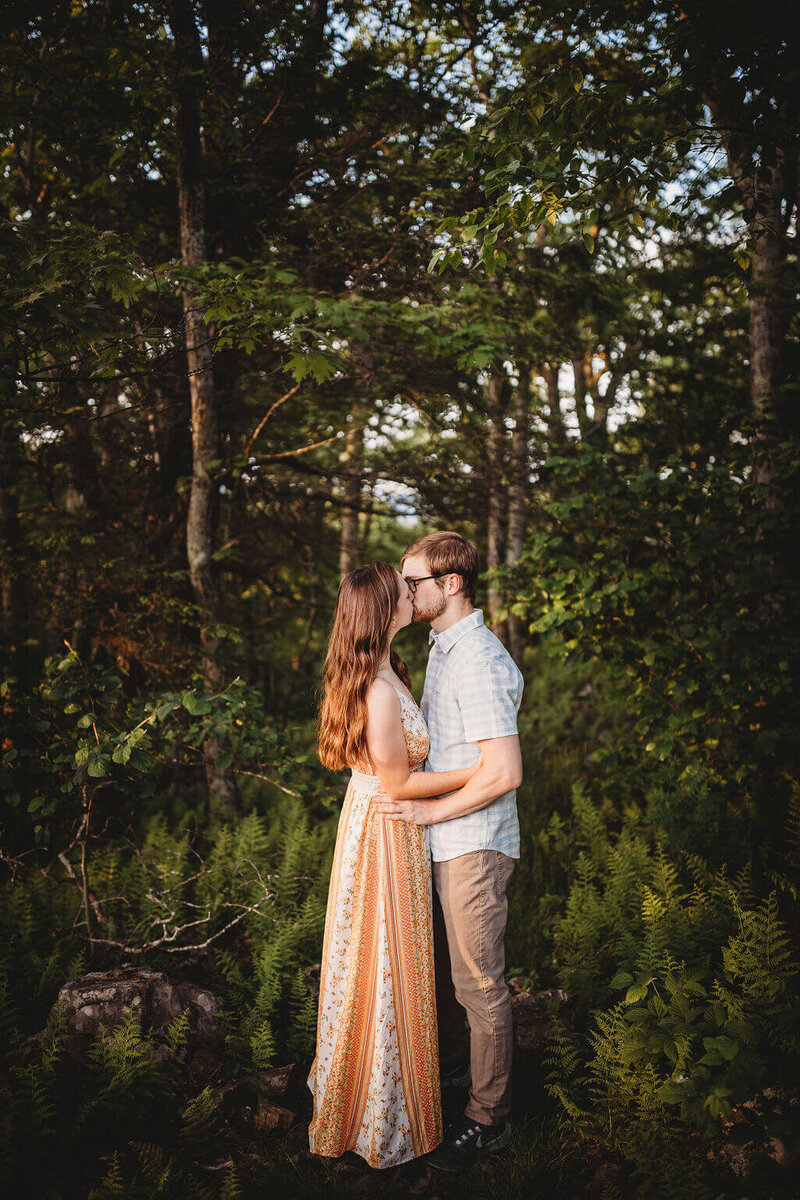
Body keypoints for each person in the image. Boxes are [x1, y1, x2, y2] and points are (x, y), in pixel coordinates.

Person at [308, 561, 481, 1169]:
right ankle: (377, 1109)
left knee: (392, 961)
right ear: (383, 609)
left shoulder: (387, 671)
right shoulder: (378, 690)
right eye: (404, 589)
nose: (414, 594)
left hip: (392, 830)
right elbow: (401, 783)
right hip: (385, 831)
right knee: (382, 965)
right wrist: (482, 771)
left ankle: (398, 1091)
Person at [377, 531, 524, 1172]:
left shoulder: (480, 660)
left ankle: (489, 1120)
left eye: (415, 583)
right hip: (443, 840)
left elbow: (503, 771)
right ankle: (467, 1082)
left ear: (451, 584)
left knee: (478, 982)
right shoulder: (443, 646)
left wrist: (429, 810)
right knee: (447, 978)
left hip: (474, 845)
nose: (406, 594)